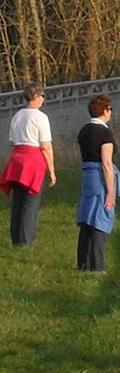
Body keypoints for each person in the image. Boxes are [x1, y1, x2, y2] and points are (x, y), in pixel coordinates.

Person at [5, 83, 54, 249]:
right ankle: (26, 240)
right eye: (42, 96)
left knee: (18, 201)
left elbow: (12, 142)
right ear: (36, 97)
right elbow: (46, 146)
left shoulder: (17, 116)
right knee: (30, 203)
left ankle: (16, 238)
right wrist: (52, 170)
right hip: (32, 161)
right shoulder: (40, 117)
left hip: (16, 160)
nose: (43, 99)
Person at [74, 96, 117, 274]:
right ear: (105, 110)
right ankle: (97, 266)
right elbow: (106, 163)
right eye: (110, 109)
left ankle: (83, 264)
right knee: (100, 219)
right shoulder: (105, 133)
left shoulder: (84, 131)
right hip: (99, 177)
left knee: (87, 219)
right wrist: (111, 190)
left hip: (87, 175)